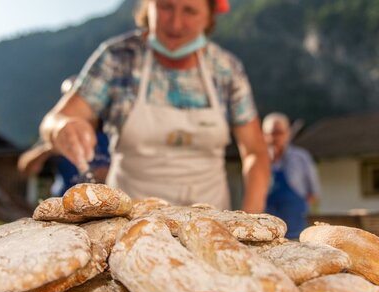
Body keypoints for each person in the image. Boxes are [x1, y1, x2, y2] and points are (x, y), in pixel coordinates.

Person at [39, 0, 270, 212]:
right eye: (165, 6)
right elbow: (54, 120)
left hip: (211, 223)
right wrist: (62, 127)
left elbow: (255, 151)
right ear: (148, 7)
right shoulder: (117, 58)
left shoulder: (227, 69)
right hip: (127, 223)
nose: (176, 22)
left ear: (209, 17)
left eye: (190, 11)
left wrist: (249, 220)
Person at [18, 76, 111, 198]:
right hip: (65, 202)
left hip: (106, 200)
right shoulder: (60, 132)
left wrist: (110, 172)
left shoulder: (110, 131)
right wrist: (47, 150)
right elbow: (26, 169)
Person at [262, 112, 320, 238]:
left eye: (279, 133)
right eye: (271, 133)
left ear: (287, 133)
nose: (275, 137)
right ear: (264, 135)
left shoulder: (301, 157)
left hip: (297, 227)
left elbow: (313, 193)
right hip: (267, 230)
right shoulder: (259, 160)